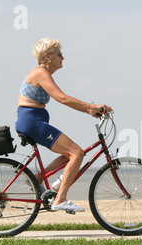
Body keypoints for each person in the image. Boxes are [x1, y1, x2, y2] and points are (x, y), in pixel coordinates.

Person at [15, 38, 113, 212]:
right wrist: (92, 106)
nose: (63, 58)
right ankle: (60, 199)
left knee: (72, 155)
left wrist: (88, 111)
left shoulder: (43, 73)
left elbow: (64, 99)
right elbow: (62, 98)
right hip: (32, 121)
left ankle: (36, 179)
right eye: (59, 54)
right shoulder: (40, 72)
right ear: (47, 56)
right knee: (76, 153)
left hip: (32, 121)